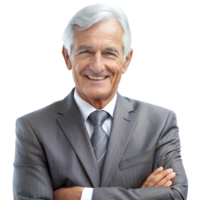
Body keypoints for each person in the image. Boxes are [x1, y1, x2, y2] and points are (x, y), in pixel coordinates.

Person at [12, 2, 188, 200]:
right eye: (85, 51)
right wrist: (142, 195)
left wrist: (85, 196)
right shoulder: (33, 127)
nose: (97, 66)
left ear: (127, 60)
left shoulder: (160, 121)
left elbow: (177, 195)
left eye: (109, 53)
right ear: (66, 57)